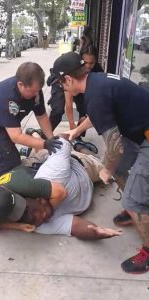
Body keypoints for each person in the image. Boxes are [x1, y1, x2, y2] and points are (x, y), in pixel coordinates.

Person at [50, 51, 149, 274]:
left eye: (60, 83)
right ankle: (136, 207)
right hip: (140, 132)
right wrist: (76, 130)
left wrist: (106, 169)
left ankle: (145, 238)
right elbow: (99, 114)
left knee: (132, 197)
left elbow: (115, 147)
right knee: (122, 170)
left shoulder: (94, 96)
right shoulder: (97, 82)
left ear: (68, 79)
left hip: (145, 138)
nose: (62, 88)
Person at [0, 137, 122, 240]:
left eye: (32, 209)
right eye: (31, 218)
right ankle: (35, 140)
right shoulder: (37, 224)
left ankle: (46, 139)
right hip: (30, 171)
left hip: (82, 166)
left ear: (38, 198)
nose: (41, 217)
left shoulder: (49, 176)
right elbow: (76, 227)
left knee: (108, 168)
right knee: (37, 157)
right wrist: (96, 232)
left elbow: (61, 143)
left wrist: (54, 140)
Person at [0, 62, 62, 189]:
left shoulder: (35, 91)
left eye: (38, 91)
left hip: (3, 120)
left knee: (5, 147)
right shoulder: (7, 97)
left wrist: (51, 138)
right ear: (20, 85)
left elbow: (41, 116)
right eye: (33, 91)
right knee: (10, 158)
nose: (36, 94)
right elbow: (16, 136)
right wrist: (44, 144)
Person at [47, 45, 103, 132]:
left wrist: (86, 117)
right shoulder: (71, 73)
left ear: (96, 61)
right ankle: (46, 134)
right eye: (85, 62)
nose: (88, 66)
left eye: (91, 63)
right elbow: (68, 103)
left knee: (83, 109)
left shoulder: (98, 71)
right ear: (80, 60)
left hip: (76, 85)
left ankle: (78, 134)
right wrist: (71, 124)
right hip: (62, 80)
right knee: (57, 110)